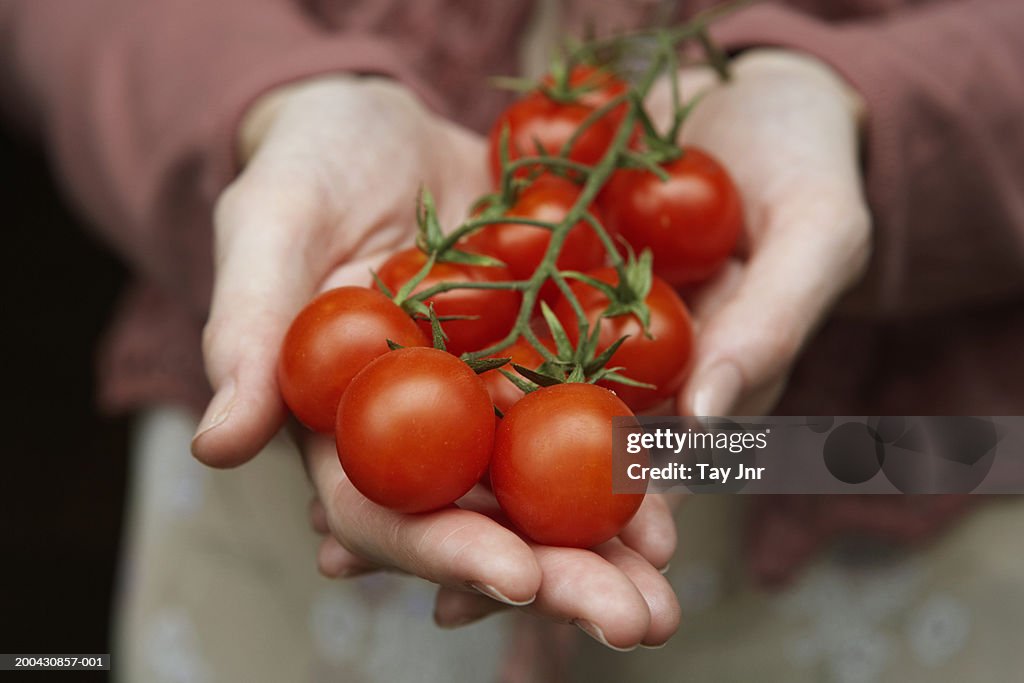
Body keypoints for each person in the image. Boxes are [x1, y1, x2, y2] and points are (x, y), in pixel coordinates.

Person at [2, 0, 1023, 680]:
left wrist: (864, 106)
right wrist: (267, 106)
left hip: (884, 483)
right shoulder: (498, 298)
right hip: (280, 549)